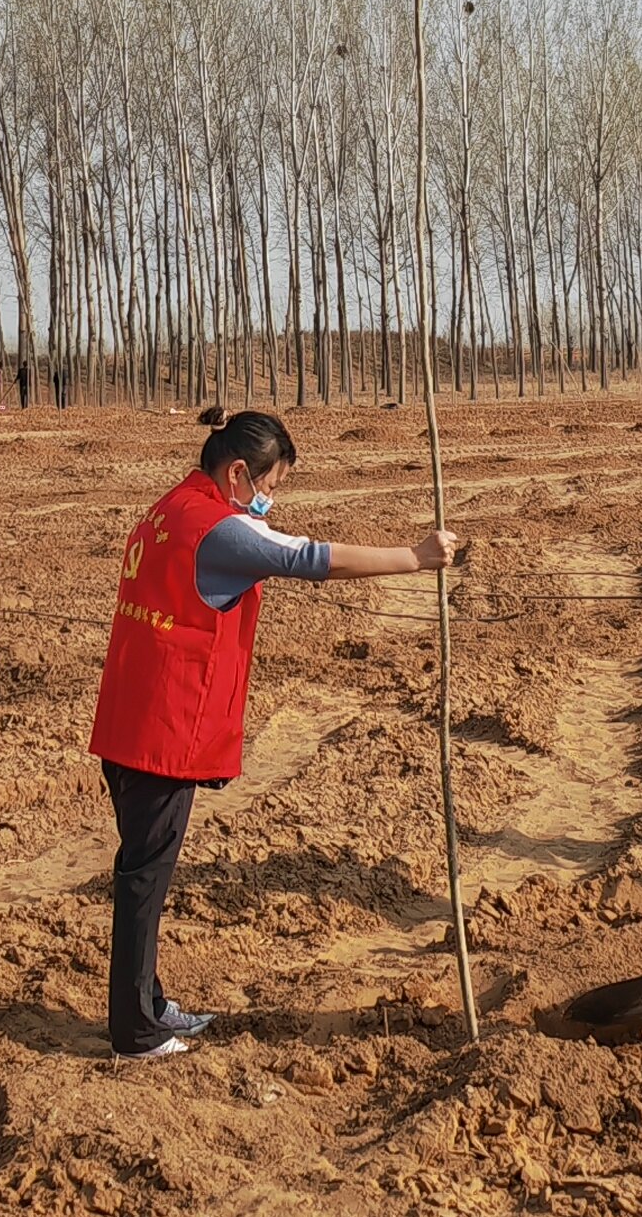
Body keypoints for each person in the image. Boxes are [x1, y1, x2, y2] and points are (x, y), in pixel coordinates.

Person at [86, 405, 459, 1060]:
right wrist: (415, 556)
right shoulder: (218, 530)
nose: (269, 499)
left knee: (147, 869)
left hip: (131, 719)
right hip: (160, 733)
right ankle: (135, 1031)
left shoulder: (170, 507)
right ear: (237, 473)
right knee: (144, 877)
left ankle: (148, 1001)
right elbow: (306, 557)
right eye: (270, 485)